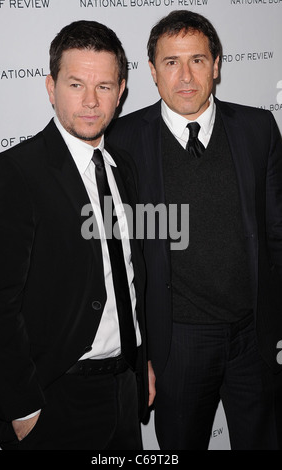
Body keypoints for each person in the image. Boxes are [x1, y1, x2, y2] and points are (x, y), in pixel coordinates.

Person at [107, 10, 282, 450]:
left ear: (217, 64)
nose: (185, 76)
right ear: (151, 71)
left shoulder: (258, 129)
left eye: (198, 60)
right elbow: (116, 252)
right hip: (176, 343)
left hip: (253, 336)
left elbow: (277, 232)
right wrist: (137, 352)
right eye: (171, 62)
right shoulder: (122, 139)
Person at [0, 20, 155, 450]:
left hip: (125, 388)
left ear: (121, 92)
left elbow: (129, 277)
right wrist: (23, 408)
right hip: (55, 397)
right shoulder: (13, 174)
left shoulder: (125, 166)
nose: (89, 101)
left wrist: (142, 362)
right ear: (50, 86)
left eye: (103, 87)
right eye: (76, 84)